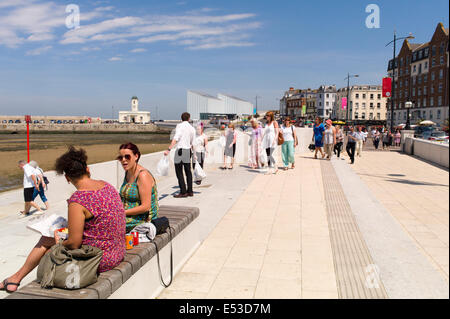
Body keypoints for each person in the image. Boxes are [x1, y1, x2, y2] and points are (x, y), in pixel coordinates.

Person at [0, 146, 126, 293]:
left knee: (47, 240)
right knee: (50, 242)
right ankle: (16, 278)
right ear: (88, 169)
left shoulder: (78, 200)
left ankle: (15, 278)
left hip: (99, 259)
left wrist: (60, 242)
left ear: (67, 178)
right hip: (118, 251)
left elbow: (74, 243)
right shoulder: (107, 186)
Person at [118, 143, 159, 233]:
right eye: (121, 158)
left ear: (136, 156)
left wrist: (122, 213)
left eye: (127, 157)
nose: (123, 160)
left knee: (110, 224)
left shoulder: (142, 175)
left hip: (143, 219)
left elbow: (146, 207)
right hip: (129, 215)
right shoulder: (128, 172)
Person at [164, 112, 195, 198]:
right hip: (188, 150)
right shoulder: (192, 128)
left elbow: (176, 138)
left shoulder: (179, 126)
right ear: (189, 118)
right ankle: (190, 191)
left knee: (179, 171)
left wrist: (169, 149)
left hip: (180, 150)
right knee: (188, 171)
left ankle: (183, 192)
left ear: (181, 118)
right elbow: (193, 142)